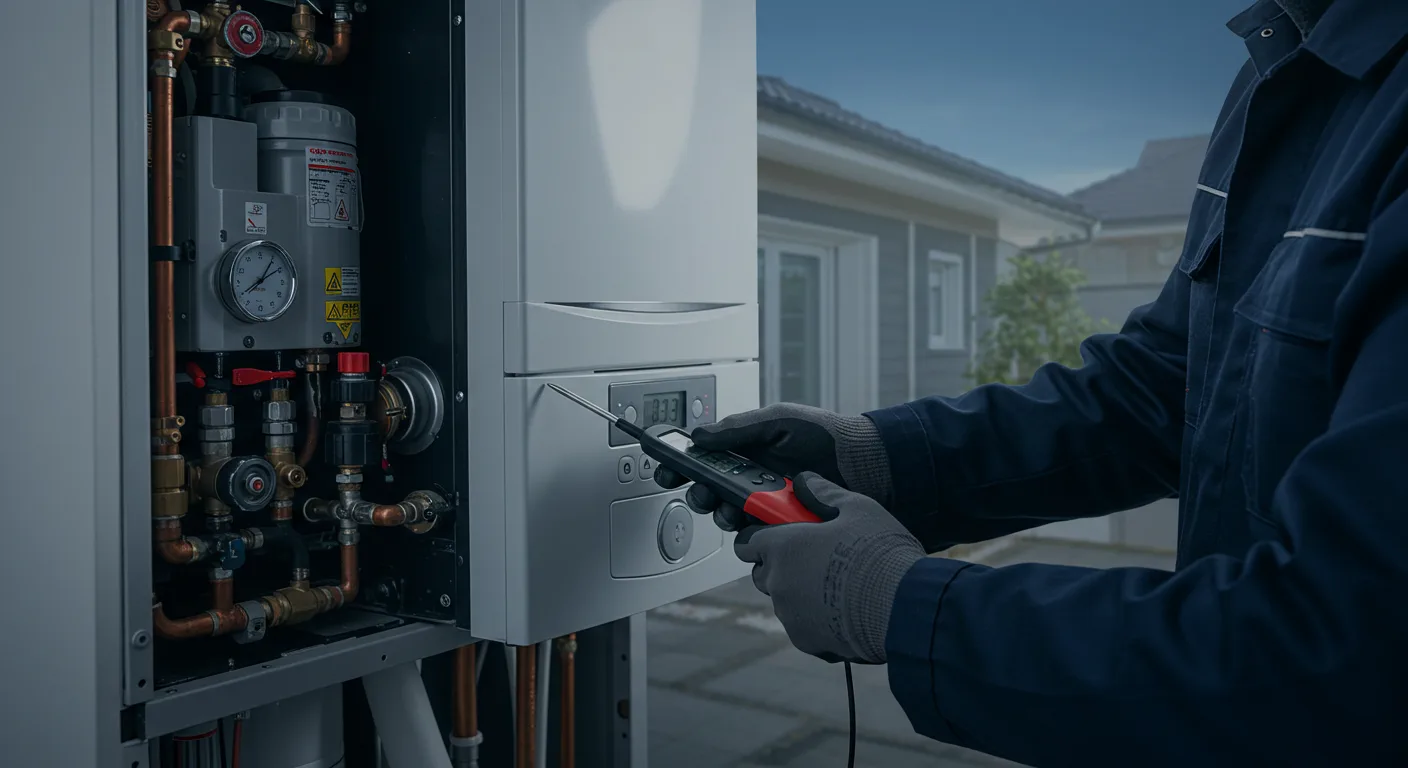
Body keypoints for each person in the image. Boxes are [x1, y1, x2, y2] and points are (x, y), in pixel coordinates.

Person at [655, 0, 1408, 763]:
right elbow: (1160, 389)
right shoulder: (1276, 78)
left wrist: (900, 603)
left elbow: (1356, 651)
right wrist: (879, 455)